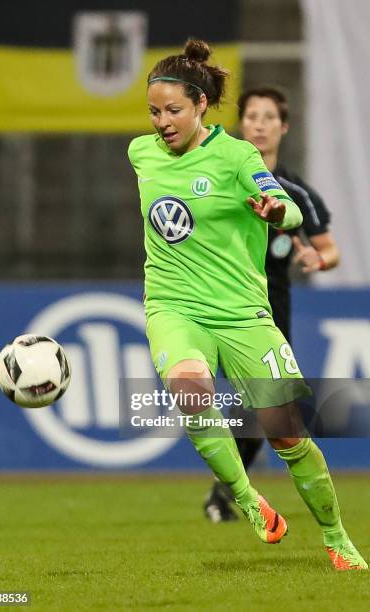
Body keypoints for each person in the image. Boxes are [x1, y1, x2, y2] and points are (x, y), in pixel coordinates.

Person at [128, 39, 367, 570]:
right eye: (153, 111)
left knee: (286, 434)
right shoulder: (140, 153)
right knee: (190, 393)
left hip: (241, 311)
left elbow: (288, 212)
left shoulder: (238, 156)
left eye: (172, 110)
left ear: (200, 107)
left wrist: (274, 209)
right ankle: (247, 498)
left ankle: (335, 537)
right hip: (173, 306)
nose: (161, 121)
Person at [204, 87, 341, 523]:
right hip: (216, 300)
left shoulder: (296, 192)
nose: (259, 125)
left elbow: (329, 249)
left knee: (262, 409)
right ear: (241, 125)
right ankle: (228, 493)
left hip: (268, 309)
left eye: (269, 118)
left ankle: (225, 494)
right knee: (248, 406)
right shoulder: (219, 176)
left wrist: (318, 259)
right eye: (252, 117)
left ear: (283, 127)